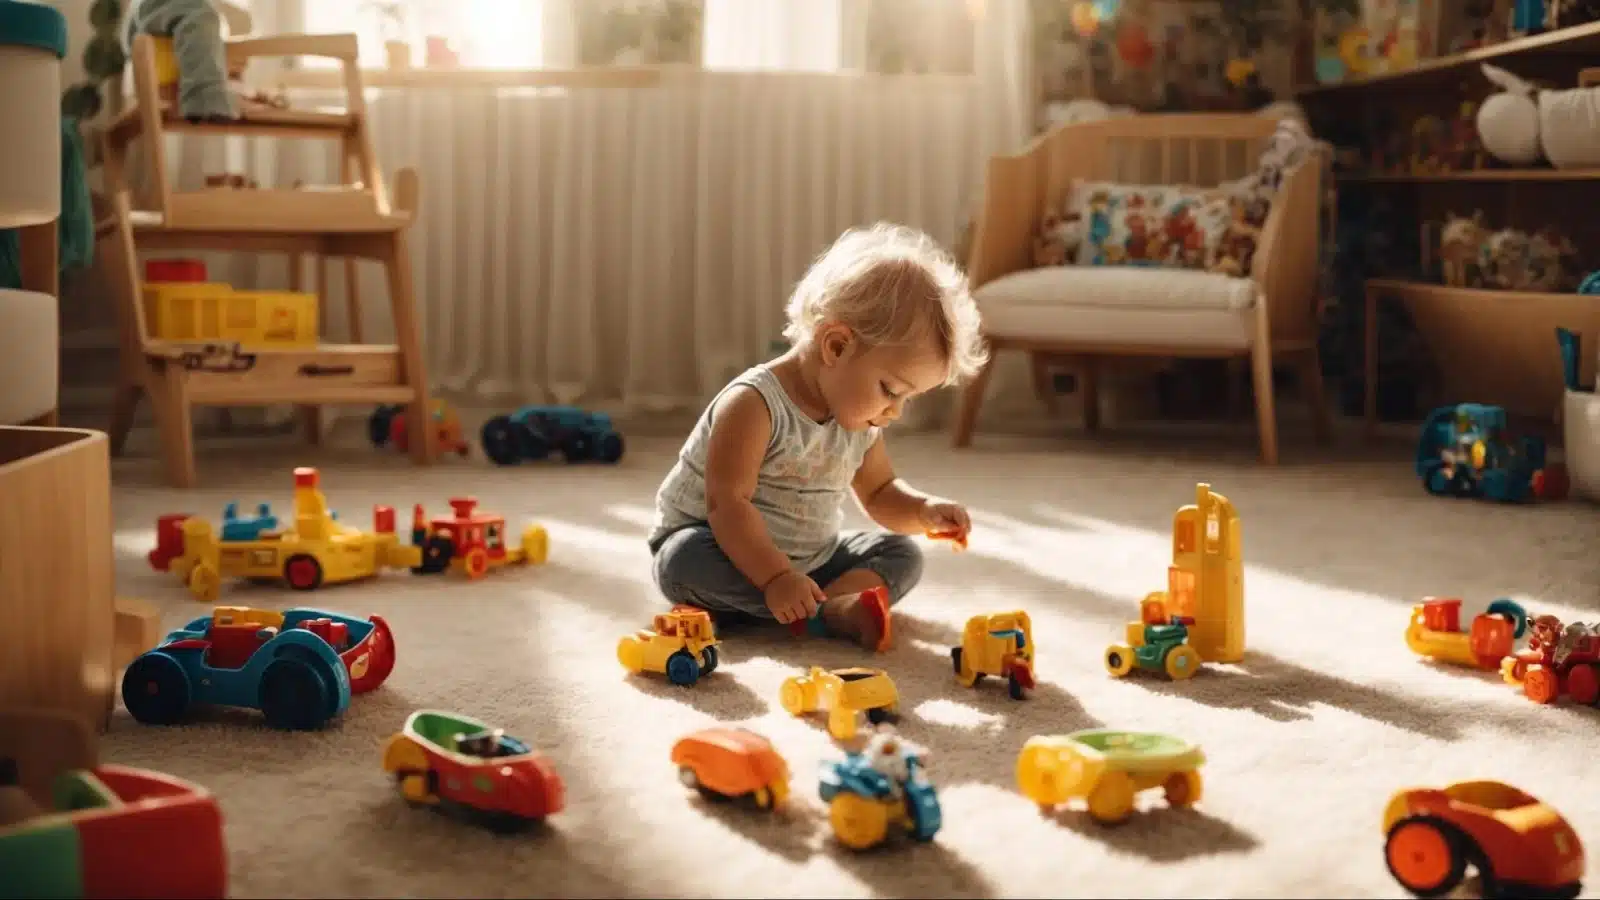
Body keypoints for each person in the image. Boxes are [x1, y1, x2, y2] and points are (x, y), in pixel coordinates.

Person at [650, 223, 987, 651]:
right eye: (890, 390)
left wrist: (923, 512)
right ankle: (811, 610)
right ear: (836, 347)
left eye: (907, 399)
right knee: (681, 563)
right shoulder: (754, 404)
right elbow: (726, 505)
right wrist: (775, 578)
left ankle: (818, 608)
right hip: (720, 545)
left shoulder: (860, 421)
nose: (895, 411)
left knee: (902, 554)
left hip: (810, 560)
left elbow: (881, 492)